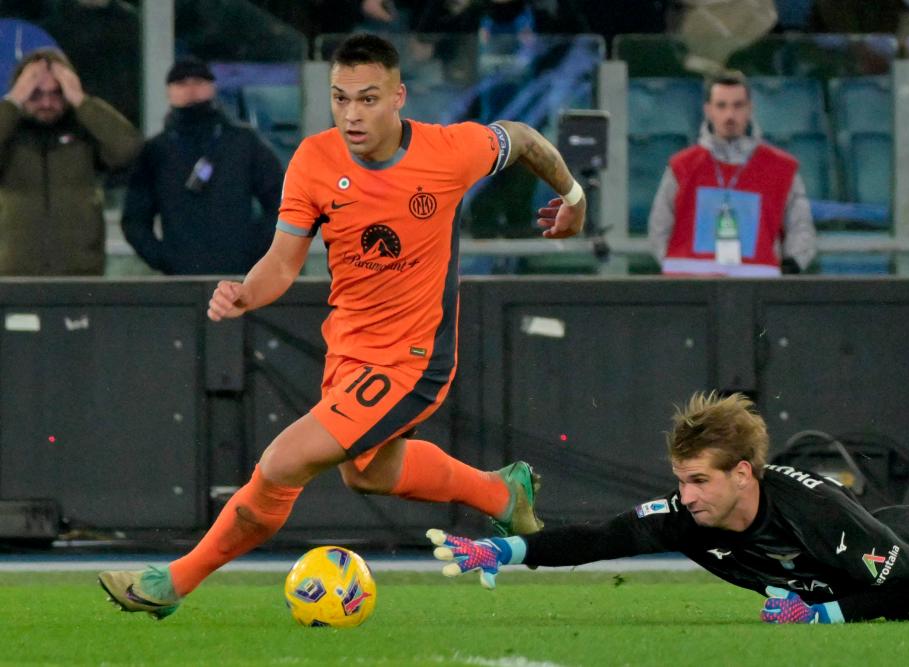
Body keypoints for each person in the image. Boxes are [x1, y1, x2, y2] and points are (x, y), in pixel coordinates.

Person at [98, 32, 586, 618]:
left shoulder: (450, 151)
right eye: (340, 98)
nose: (352, 114)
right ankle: (500, 491)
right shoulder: (313, 160)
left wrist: (574, 195)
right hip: (349, 349)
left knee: (283, 462)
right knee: (369, 474)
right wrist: (246, 292)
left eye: (368, 98)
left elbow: (525, 138)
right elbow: (283, 262)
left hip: (413, 357)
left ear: (399, 96)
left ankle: (173, 582)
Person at [428, 391, 909, 623]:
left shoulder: (815, 509)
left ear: (744, 474)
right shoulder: (688, 514)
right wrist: (503, 548)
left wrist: (821, 614)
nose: (687, 495)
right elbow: (601, 538)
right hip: (898, 543)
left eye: (700, 480)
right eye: (681, 480)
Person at [120, 57, 284, 275]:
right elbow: (134, 219)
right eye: (181, 83)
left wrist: (253, 251)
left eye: (198, 81)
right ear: (169, 91)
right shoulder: (156, 151)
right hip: (181, 279)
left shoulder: (243, 142)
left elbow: (283, 202)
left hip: (239, 276)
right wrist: (165, 258)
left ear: (212, 87)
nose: (190, 89)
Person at [647, 71, 816, 277]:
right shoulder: (681, 166)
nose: (729, 115)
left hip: (758, 289)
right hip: (689, 288)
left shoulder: (783, 169)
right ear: (708, 110)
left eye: (738, 105)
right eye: (721, 106)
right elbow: (660, 227)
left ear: (750, 109)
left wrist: (790, 267)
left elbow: (801, 227)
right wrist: (674, 269)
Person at [0, 47, 142, 276]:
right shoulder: (8, 133)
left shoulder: (84, 131)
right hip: (13, 272)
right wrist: (12, 101)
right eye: (35, 94)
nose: (46, 102)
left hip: (79, 273)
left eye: (56, 93)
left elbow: (128, 148)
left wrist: (82, 100)